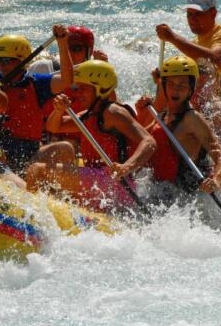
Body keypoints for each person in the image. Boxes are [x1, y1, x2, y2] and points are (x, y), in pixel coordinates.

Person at [27, 60, 156, 215]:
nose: (77, 93)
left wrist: (127, 166)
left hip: (113, 182)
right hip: (97, 179)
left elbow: (149, 141)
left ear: (101, 89)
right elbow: (54, 127)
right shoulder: (90, 113)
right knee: (57, 165)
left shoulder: (113, 112)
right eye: (77, 87)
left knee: (37, 170)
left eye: (84, 88)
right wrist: (59, 110)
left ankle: (32, 216)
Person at [135, 56, 221, 207]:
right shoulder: (161, 115)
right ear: (163, 85)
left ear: (191, 88)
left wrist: (216, 180)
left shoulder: (193, 119)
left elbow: (220, 156)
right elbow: (139, 141)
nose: (175, 89)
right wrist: (141, 113)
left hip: (185, 196)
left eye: (182, 85)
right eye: (171, 84)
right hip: (159, 189)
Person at [0, 25, 75, 175]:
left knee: (66, 148)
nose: (2, 65)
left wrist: (62, 43)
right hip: (2, 155)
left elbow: (67, 79)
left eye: (7, 60)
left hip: (30, 154)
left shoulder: (37, 84)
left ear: (22, 61)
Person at [155, 0, 221, 72]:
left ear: (213, 13)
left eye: (198, 14)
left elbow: (216, 59)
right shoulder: (195, 45)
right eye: (189, 14)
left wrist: (173, 38)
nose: (192, 19)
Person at [28, 25, 108, 74]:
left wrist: (104, 71)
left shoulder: (94, 76)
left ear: (88, 52)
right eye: (66, 47)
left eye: (76, 48)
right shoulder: (43, 68)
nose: (69, 52)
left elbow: (113, 101)